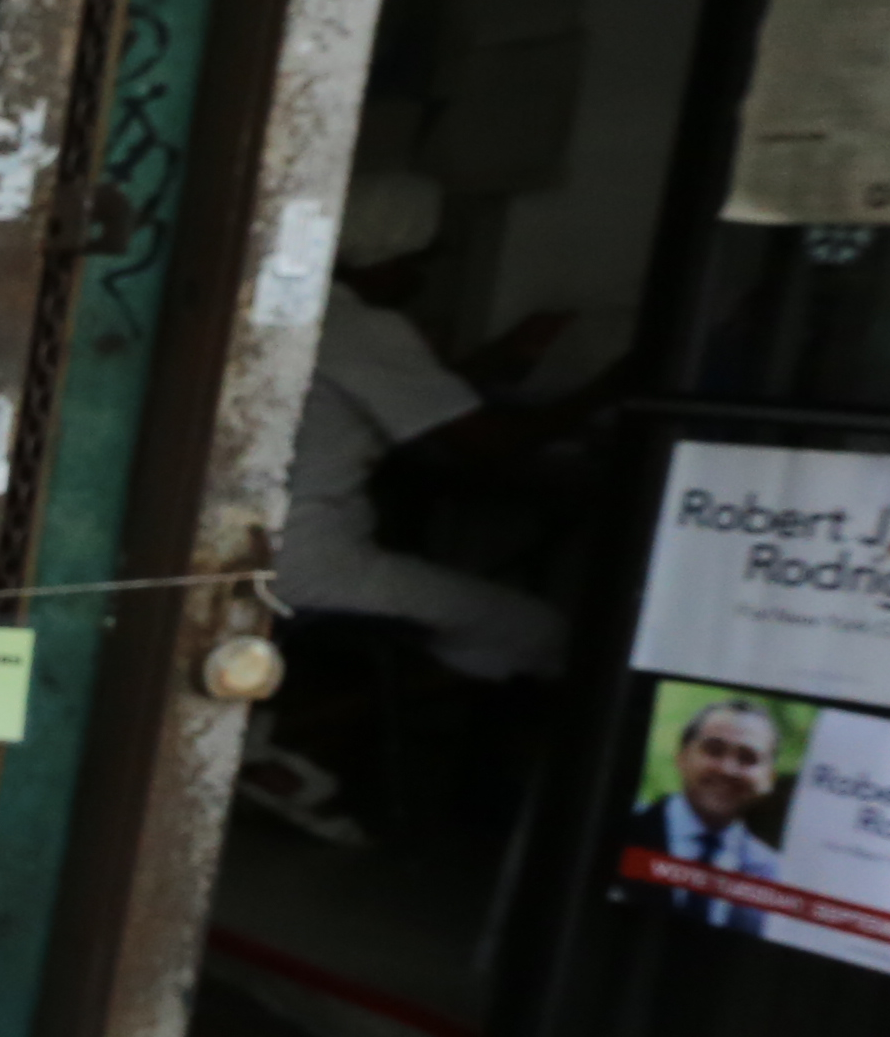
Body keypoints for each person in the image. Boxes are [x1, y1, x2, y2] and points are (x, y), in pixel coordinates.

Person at [272, 169, 568, 683]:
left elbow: (408, 396)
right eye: (417, 261)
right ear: (385, 258)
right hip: (306, 564)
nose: (422, 278)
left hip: (252, 551)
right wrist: (616, 388)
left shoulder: (290, 307)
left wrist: (500, 356)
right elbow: (491, 445)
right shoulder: (365, 328)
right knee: (534, 629)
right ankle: (371, 728)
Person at [624, 695, 791, 932]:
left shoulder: (776, 875)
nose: (727, 769)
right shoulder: (623, 831)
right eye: (714, 750)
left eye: (747, 758)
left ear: (769, 778)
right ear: (681, 757)